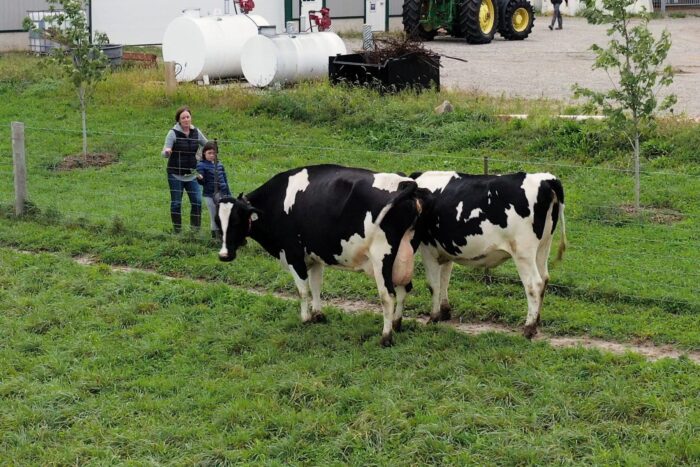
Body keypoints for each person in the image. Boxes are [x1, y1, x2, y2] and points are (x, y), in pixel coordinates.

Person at [162, 106, 208, 233]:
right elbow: (164, 152)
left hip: (192, 174)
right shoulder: (173, 133)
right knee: (176, 203)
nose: (186, 119)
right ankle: (178, 231)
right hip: (175, 174)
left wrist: (201, 156)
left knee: (197, 201)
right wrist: (167, 152)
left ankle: (195, 230)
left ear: (191, 118)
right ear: (179, 120)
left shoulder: (196, 132)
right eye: (183, 118)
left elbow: (207, 145)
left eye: (188, 117)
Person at [196, 141, 232, 240]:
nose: (212, 155)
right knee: (214, 215)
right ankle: (215, 237)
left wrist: (229, 194)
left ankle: (224, 234)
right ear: (204, 153)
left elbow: (225, 179)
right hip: (210, 195)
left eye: (214, 153)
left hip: (223, 194)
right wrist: (200, 178)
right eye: (209, 153)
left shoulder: (220, 164)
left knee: (225, 214)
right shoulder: (201, 165)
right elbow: (202, 182)